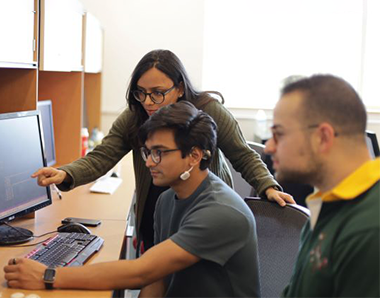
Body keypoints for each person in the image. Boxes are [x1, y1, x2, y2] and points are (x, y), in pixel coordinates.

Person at [31, 49, 293, 251]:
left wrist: (267, 186)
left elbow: (243, 154)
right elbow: (102, 156)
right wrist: (65, 174)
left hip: (200, 212)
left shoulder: (207, 112)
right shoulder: (135, 116)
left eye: (158, 93)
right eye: (141, 93)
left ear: (179, 88)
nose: (148, 102)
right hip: (157, 209)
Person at [4, 101, 261, 297]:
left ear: (194, 156)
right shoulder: (168, 199)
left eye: (159, 153)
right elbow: (156, 279)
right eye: (147, 152)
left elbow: (142, 271)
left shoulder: (221, 212)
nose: (149, 162)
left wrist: (49, 275)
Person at [264, 74, 380, 297]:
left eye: (278, 134)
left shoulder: (370, 228)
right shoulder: (328, 204)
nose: (268, 147)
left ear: (322, 138)